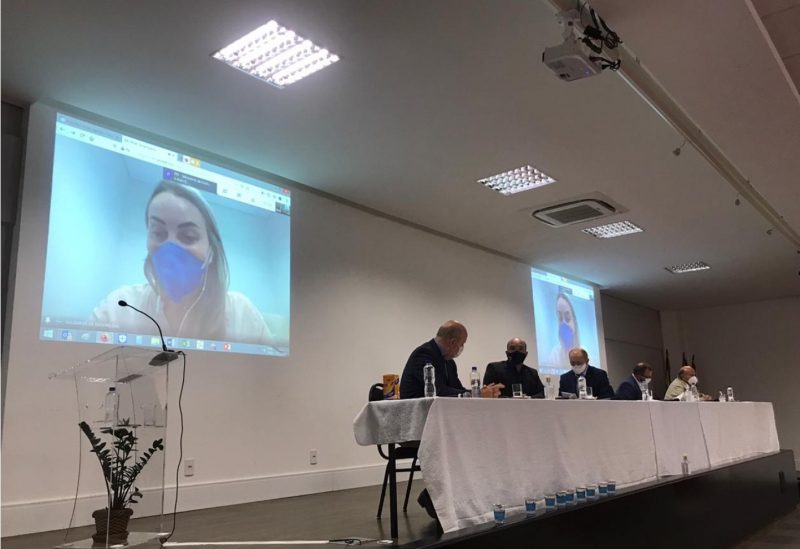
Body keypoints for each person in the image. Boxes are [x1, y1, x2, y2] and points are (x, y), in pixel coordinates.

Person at [91, 180, 274, 345]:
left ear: (211, 252)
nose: (170, 247)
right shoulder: (120, 306)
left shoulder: (241, 313)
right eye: (158, 233)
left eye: (188, 236)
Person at [400, 320, 504, 399]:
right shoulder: (424, 354)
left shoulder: (449, 362)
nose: (462, 347)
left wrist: (479, 392)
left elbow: (457, 389)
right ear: (453, 342)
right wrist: (477, 394)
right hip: (418, 415)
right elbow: (438, 390)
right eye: (462, 344)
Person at [548, 292, 579, 368]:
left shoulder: (584, 351)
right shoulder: (555, 354)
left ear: (574, 321)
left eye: (567, 317)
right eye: (560, 318)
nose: (564, 324)